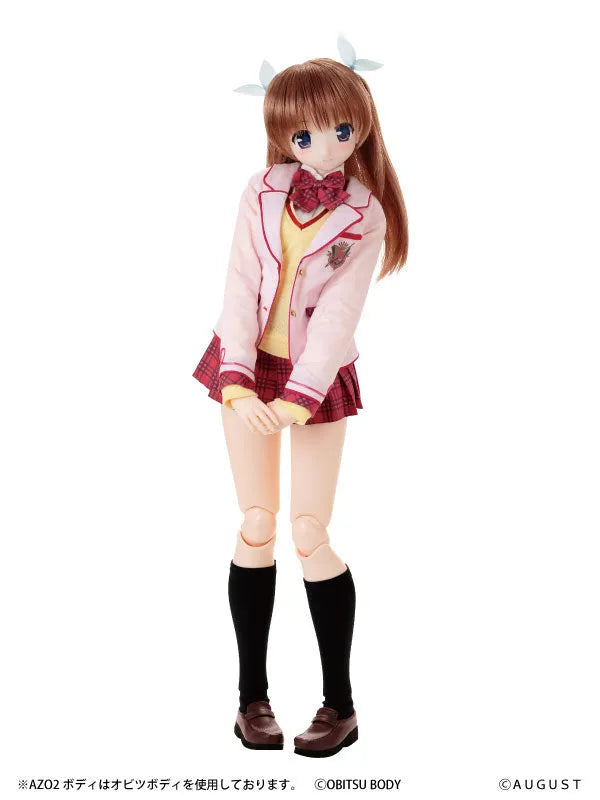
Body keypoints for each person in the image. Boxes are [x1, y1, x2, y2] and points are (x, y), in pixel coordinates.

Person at [192, 52, 408, 757]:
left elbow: (341, 316)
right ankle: (250, 700)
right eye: (304, 135)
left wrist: (295, 401)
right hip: (246, 365)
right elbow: (238, 283)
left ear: (362, 127)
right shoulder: (260, 192)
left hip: (315, 379)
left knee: (311, 531)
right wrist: (234, 379)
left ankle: (339, 705)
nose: (323, 147)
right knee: (256, 522)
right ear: (282, 134)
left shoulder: (365, 215)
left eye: (341, 130)